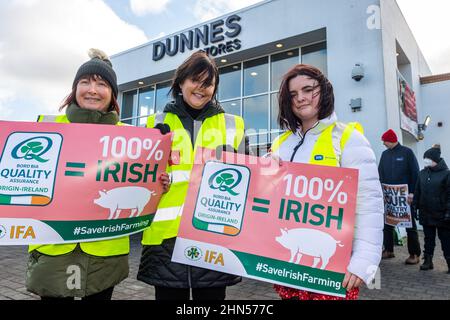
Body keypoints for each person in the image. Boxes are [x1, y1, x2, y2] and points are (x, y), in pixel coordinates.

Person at [26, 49, 170, 300]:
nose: (92, 89)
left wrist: (160, 183)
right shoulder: (47, 128)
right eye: (85, 82)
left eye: (101, 84)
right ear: (74, 89)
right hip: (54, 245)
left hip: (105, 250)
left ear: (112, 94)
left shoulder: (132, 139)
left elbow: (146, 180)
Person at [137, 50, 248, 300]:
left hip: (213, 237)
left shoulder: (234, 125)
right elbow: (141, 177)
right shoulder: (156, 124)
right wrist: (155, 183)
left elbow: (248, 179)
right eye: (195, 80)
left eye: (208, 83)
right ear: (180, 82)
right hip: (165, 240)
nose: (201, 88)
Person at [268, 64, 384, 300]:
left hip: (333, 271)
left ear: (325, 91)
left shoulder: (348, 138)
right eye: (293, 94)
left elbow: (369, 205)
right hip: (289, 269)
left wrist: (364, 261)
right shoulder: (281, 143)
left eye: (308, 89)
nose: (300, 98)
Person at [378, 129, 421, 264]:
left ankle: (414, 254)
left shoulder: (407, 153)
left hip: (405, 198)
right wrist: (382, 192)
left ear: (391, 140)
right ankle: (389, 250)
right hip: (390, 197)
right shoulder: (384, 155)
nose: (384, 144)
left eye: (385, 141)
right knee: (387, 224)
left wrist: (413, 192)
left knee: (410, 226)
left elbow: (415, 173)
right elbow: (380, 174)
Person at [413, 146, 450, 272]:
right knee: (428, 239)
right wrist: (415, 206)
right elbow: (417, 191)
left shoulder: (446, 174)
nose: (425, 161)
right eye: (425, 159)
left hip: (442, 214)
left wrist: (448, 212)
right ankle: (428, 261)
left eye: (428, 159)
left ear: (435, 160)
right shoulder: (422, 173)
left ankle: (449, 262)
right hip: (426, 213)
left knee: (445, 239)